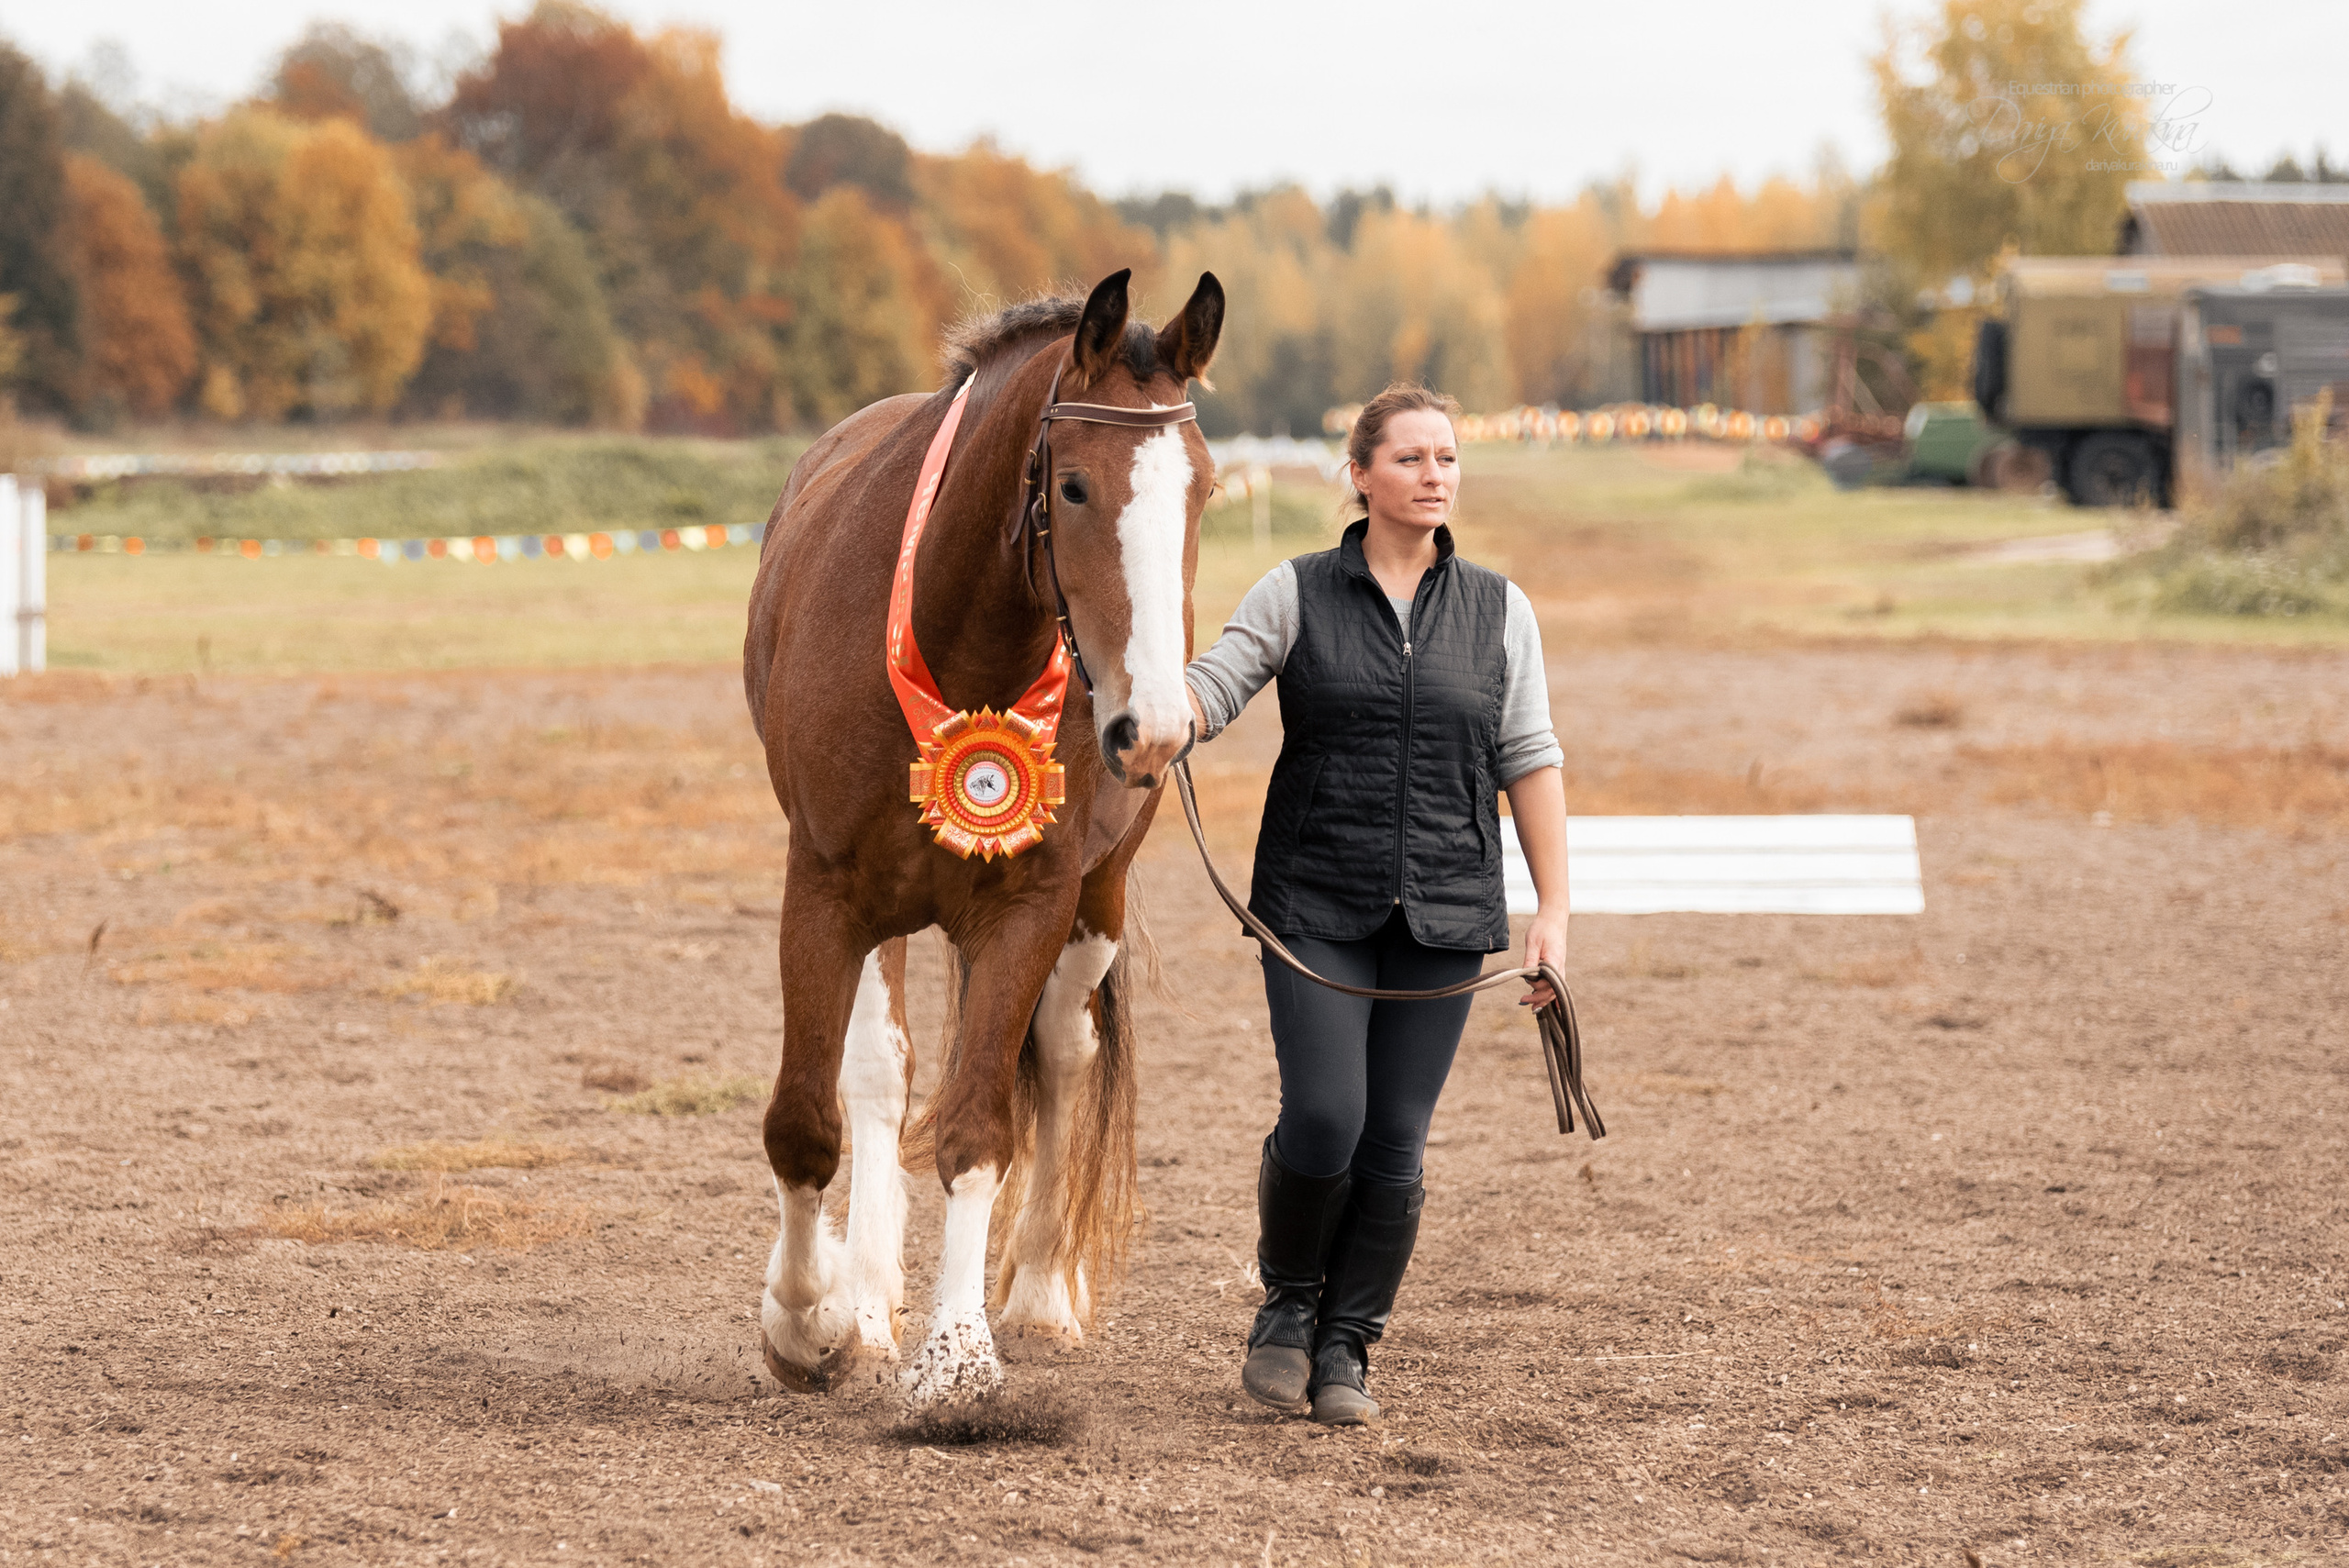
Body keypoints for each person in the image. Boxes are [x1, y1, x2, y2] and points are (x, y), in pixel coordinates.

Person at [1183, 383, 1571, 1426]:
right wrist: (1167, 713)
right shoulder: (1296, 590)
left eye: (1446, 457)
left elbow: (1529, 756)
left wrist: (1553, 910)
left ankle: (1348, 1341)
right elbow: (1217, 684)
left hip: (1446, 905)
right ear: (1358, 474)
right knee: (1325, 1114)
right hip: (1314, 896)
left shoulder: (1500, 609)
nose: (1433, 475)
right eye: (1409, 457)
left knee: (1396, 1138)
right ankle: (1287, 1305)